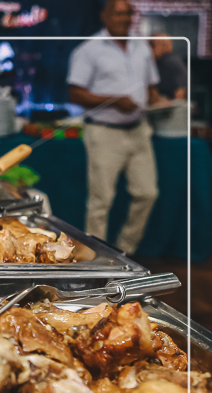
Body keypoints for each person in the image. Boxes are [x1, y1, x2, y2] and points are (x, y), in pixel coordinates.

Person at [67, 0, 166, 255]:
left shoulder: (142, 47)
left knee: (148, 193)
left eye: (128, 13)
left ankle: (124, 252)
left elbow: (151, 88)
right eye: (118, 13)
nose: (124, 19)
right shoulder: (88, 50)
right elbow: (75, 93)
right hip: (104, 132)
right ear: (105, 16)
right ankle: (95, 259)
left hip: (140, 130)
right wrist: (114, 100)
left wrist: (162, 103)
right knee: (101, 201)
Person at [150, 33, 187, 100]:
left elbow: (181, 92)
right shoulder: (159, 62)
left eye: (152, 45)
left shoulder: (171, 61)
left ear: (163, 45)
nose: (149, 49)